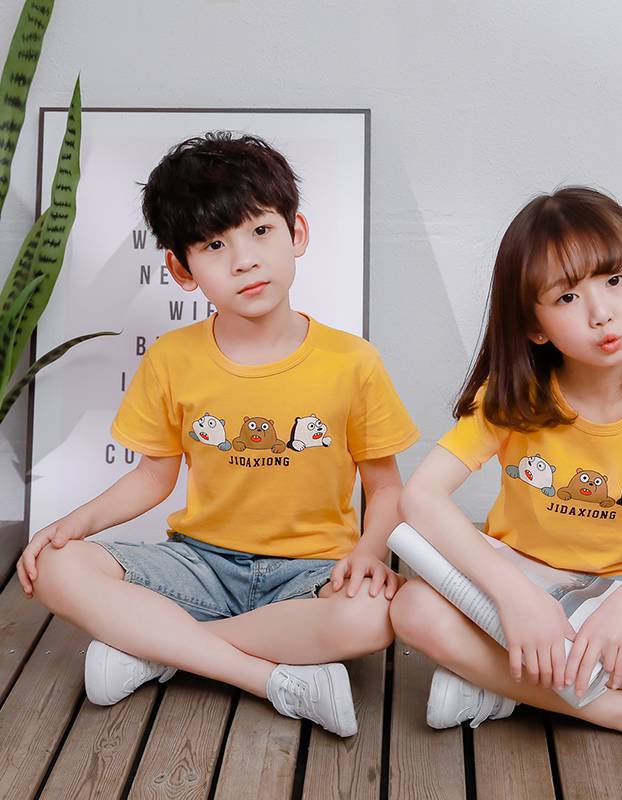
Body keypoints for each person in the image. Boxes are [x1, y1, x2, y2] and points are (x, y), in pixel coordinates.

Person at [17, 132, 419, 738]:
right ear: (182, 269)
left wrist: (367, 554)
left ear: (296, 233)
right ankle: (268, 677)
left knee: (374, 617)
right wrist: (75, 523)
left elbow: (385, 488)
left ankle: (157, 650)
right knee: (54, 566)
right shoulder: (173, 359)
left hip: (312, 573)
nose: (244, 260)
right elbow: (154, 477)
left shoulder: (352, 361)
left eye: (261, 231)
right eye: (214, 245)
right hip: (200, 564)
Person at [389, 186, 622, 741]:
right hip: (521, 584)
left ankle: (498, 684)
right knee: (411, 608)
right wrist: (514, 596)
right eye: (566, 297)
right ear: (534, 324)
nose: (600, 313)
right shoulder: (512, 399)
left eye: (614, 280)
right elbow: (420, 496)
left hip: (617, 597)